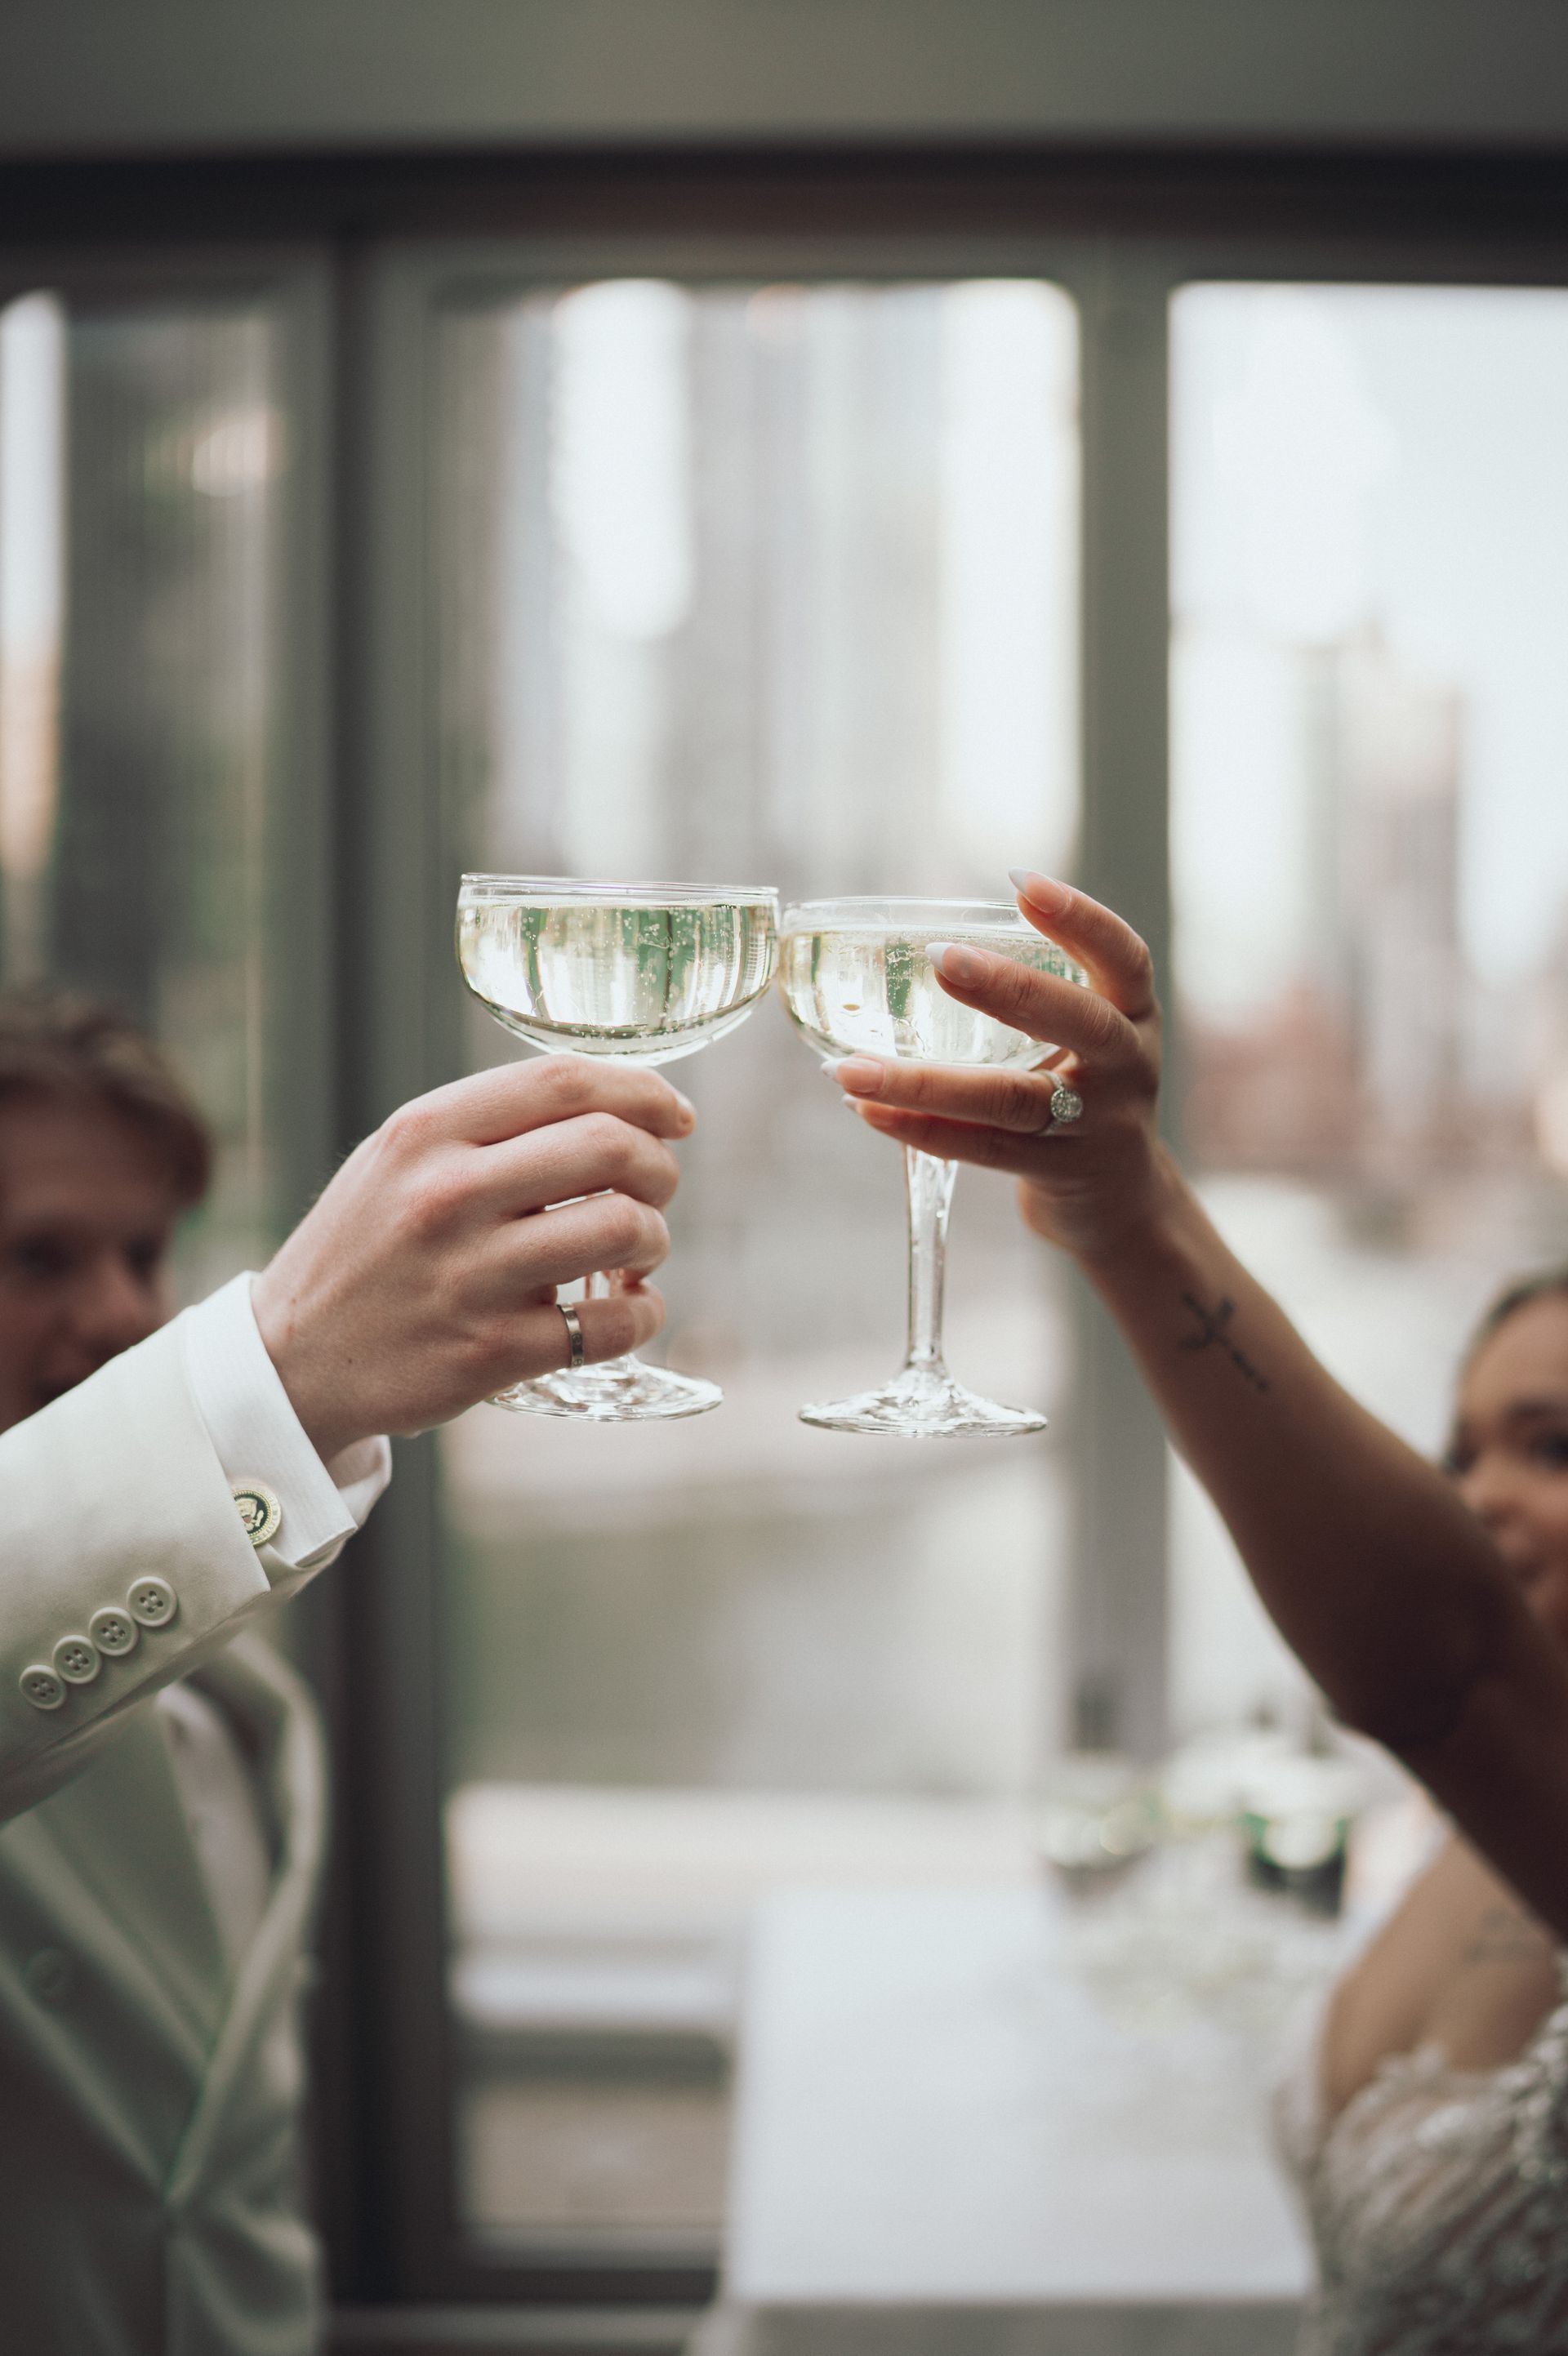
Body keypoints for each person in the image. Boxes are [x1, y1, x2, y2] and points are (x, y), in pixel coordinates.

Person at [828, 869, 1568, 2353]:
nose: (1482, 1496)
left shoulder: (1491, 1744)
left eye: (1552, 1446)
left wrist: (1131, 1211)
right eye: (1458, 1455)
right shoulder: (1453, 1826)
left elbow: (1439, 1661)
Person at [0, 990, 693, 2354]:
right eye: (38, 1255)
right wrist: (273, 1371)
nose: (123, 1308)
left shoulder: (232, 1692)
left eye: (145, 1250)